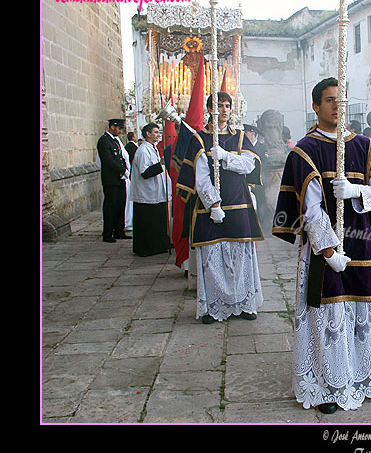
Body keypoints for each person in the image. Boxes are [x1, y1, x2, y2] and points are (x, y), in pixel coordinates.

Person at [272, 77, 371, 414]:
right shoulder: (305, 150)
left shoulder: (362, 146)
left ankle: (364, 376)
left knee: (361, 310)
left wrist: (357, 192)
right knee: (328, 312)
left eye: (341, 100)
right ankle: (329, 385)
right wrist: (329, 252)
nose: (336, 106)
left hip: (359, 242)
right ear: (315, 106)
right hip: (323, 248)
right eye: (329, 100)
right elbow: (310, 211)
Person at [176, 91, 264, 325]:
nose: (224, 110)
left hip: (239, 202)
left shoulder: (240, 137)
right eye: (219, 105)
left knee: (241, 256)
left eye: (227, 105)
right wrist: (213, 204)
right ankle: (214, 306)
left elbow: (249, 165)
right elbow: (201, 177)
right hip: (211, 208)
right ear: (209, 109)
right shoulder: (199, 139)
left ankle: (244, 303)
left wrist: (225, 157)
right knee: (213, 258)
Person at [131, 122, 171, 257]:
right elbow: (145, 172)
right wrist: (161, 163)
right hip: (146, 194)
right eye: (155, 132)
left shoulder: (152, 148)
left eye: (159, 132)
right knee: (147, 222)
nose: (158, 135)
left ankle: (158, 246)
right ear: (147, 134)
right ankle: (146, 248)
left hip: (156, 193)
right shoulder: (143, 150)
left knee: (157, 221)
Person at [97, 118, 131, 243]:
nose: (120, 131)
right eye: (119, 128)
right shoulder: (104, 141)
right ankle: (108, 233)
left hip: (120, 179)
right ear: (112, 127)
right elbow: (108, 160)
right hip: (111, 180)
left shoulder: (115, 141)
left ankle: (119, 230)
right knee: (110, 206)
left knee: (120, 205)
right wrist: (122, 170)